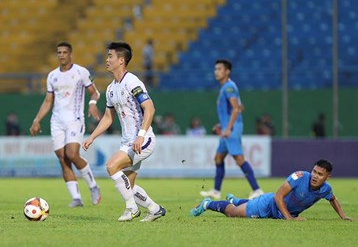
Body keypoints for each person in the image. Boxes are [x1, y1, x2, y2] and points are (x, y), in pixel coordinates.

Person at [82, 42, 166, 222]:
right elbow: (107, 118)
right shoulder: (111, 89)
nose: (107, 59)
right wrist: (92, 137)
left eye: (110, 56)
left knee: (111, 166)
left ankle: (131, 209)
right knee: (129, 186)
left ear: (121, 60)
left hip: (143, 140)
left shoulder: (132, 81)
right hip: (127, 142)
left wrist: (141, 136)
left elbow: (150, 109)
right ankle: (155, 209)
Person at [29, 42, 101, 207]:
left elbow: (95, 92)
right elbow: (48, 100)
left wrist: (92, 103)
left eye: (64, 52)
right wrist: (37, 119)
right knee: (62, 158)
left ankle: (93, 186)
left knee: (72, 154)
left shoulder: (81, 72)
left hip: (74, 119)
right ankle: (76, 198)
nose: (61, 55)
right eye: (59, 52)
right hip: (57, 121)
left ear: (70, 54)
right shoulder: (52, 76)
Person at [191, 159, 352, 221]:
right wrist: (289, 218)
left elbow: (333, 199)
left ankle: (235, 200)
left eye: (320, 174)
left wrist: (343, 216)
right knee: (232, 213)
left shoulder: (326, 189)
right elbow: (278, 196)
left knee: (241, 207)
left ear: (327, 177)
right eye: (315, 171)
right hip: (270, 204)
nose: (315, 176)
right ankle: (207, 204)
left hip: (281, 212)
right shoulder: (299, 177)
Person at [200, 59, 263, 200]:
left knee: (239, 159)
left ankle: (257, 190)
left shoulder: (229, 87)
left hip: (231, 129)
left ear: (227, 71)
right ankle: (216, 191)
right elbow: (241, 107)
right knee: (218, 157)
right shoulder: (228, 87)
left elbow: (236, 108)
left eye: (219, 69)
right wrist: (222, 124)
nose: (216, 71)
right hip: (227, 127)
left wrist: (228, 128)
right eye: (215, 69)